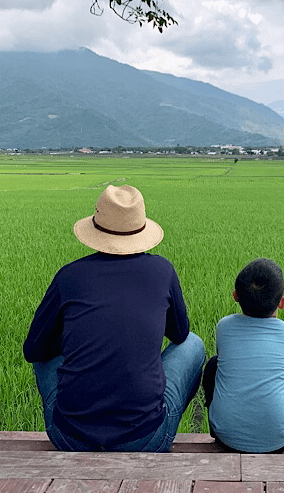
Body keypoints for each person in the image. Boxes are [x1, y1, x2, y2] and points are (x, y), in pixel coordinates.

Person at [23, 184, 205, 452]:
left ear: (96, 229)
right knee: (194, 345)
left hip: (69, 438)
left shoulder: (69, 276)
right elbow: (180, 334)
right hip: (146, 439)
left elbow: (33, 350)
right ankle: (156, 416)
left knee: (45, 355)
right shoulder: (162, 271)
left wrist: (76, 341)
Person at [202, 258, 284, 453]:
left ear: (235, 296)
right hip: (279, 442)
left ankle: (218, 429)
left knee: (214, 364)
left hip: (226, 437)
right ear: (282, 303)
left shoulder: (224, 327)